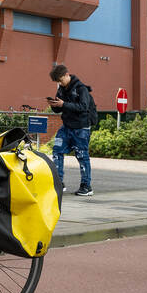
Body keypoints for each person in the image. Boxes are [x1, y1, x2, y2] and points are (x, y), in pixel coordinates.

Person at [48, 64, 94, 197]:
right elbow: (60, 109)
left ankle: (86, 186)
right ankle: (58, 183)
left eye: (61, 80)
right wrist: (54, 105)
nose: (60, 83)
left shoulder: (81, 89)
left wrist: (64, 104)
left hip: (81, 127)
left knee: (81, 155)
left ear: (67, 75)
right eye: (58, 82)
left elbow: (83, 107)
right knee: (57, 150)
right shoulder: (61, 89)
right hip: (67, 126)